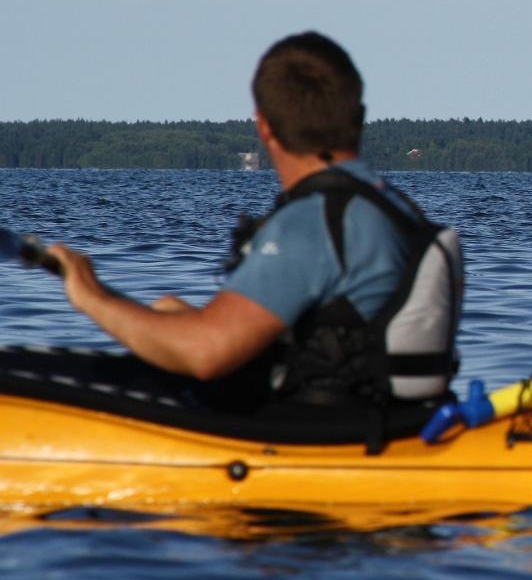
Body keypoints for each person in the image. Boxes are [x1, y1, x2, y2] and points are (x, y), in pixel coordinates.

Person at [46, 32, 464, 412]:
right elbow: (334, 342)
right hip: (380, 421)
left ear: (263, 126)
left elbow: (205, 354)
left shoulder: (313, 222)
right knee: (170, 315)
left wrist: (92, 296)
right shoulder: (394, 209)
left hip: (312, 440)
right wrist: (186, 324)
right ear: (358, 115)